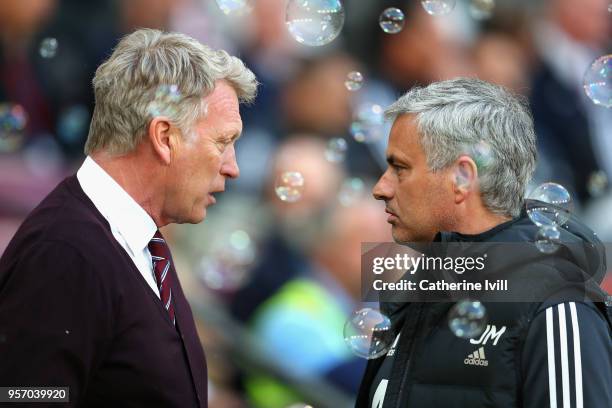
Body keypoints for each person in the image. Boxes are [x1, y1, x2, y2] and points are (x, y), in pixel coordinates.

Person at [0, 28, 257, 407]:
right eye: (222, 142)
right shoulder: (63, 254)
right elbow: (24, 399)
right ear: (164, 137)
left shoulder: (132, 240)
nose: (232, 167)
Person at [356, 78, 612, 407]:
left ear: (462, 178)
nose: (381, 188)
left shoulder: (558, 304)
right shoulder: (415, 292)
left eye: (399, 168)